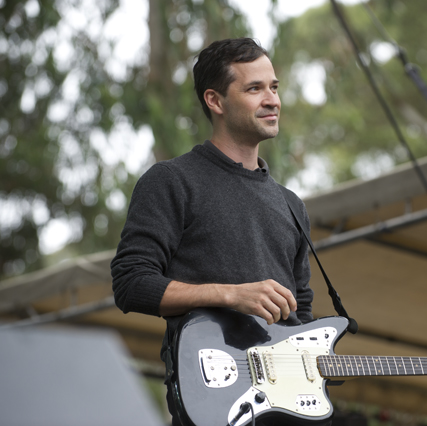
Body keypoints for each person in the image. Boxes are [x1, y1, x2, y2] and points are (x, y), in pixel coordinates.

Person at [111, 38, 314, 425]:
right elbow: (131, 283)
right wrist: (230, 295)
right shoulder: (172, 180)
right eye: (254, 89)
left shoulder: (291, 204)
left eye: (274, 87)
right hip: (212, 403)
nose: (272, 100)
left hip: (283, 410)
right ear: (215, 101)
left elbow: (300, 313)